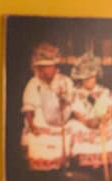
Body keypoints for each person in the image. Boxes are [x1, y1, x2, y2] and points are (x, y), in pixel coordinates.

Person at [20, 42, 73, 172]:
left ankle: (61, 166)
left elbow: (70, 101)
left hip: (60, 119)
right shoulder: (34, 83)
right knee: (38, 138)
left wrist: (63, 99)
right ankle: (42, 169)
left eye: (49, 67)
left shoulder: (64, 81)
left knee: (70, 131)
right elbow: (29, 108)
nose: (46, 71)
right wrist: (32, 125)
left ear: (55, 67)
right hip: (40, 119)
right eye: (42, 68)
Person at [65, 51, 112, 170]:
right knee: (75, 127)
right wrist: (87, 122)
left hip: (101, 121)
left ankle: (104, 160)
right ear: (81, 79)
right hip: (85, 122)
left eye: (92, 77)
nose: (90, 80)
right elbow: (76, 113)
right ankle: (87, 163)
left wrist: (106, 117)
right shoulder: (76, 93)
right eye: (87, 78)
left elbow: (110, 109)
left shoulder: (103, 91)